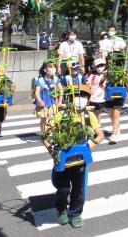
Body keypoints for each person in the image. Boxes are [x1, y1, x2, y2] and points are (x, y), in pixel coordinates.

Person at [43, 84, 104, 228]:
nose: (79, 99)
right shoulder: (60, 115)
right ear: (69, 99)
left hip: (80, 162)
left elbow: (100, 135)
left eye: (83, 96)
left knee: (79, 190)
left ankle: (75, 213)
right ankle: (61, 209)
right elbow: (45, 136)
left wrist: (89, 147)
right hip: (63, 161)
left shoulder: (89, 116)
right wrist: (52, 152)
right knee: (63, 189)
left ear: (88, 100)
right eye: (76, 96)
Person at [34, 63, 63, 133]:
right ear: (45, 70)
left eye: (54, 67)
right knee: (43, 119)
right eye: (50, 67)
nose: (53, 69)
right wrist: (40, 101)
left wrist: (60, 100)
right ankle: (43, 133)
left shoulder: (56, 79)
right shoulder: (40, 80)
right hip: (43, 102)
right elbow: (36, 92)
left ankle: (49, 132)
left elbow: (61, 89)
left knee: (52, 118)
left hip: (52, 101)